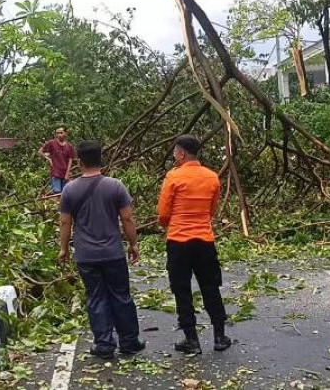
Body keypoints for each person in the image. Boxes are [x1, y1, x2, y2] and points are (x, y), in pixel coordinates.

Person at [59, 140, 144, 360]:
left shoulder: (69, 189)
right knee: (121, 296)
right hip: (113, 253)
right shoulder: (115, 186)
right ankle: (129, 342)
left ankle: (104, 344)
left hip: (86, 255)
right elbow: (127, 218)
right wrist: (133, 243)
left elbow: (65, 223)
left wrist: (63, 248)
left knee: (96, 297)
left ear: (79, 161)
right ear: (100, 158)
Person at [157, 135, 231, 354]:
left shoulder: (173, 177)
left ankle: (192, 340)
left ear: (181, 154)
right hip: (204, 241)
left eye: (174, 152)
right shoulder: (212, 177)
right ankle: (219, 336)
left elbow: (163, 214)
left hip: (179, 241)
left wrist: (170, 223)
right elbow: (211, 210)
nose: (173, 155)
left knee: (182, 290)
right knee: (210, 288)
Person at [39, 126, 75, 194]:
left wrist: (67, 173)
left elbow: (70, 160)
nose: (59, 135)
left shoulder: (69, 146)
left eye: (61, 133)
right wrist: (49, 159)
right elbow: (40, 151)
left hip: (65, 172)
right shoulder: (52, 143)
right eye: (57, 133)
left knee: (65, 192)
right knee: (57, 192)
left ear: (66, 133)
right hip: (56, 172)